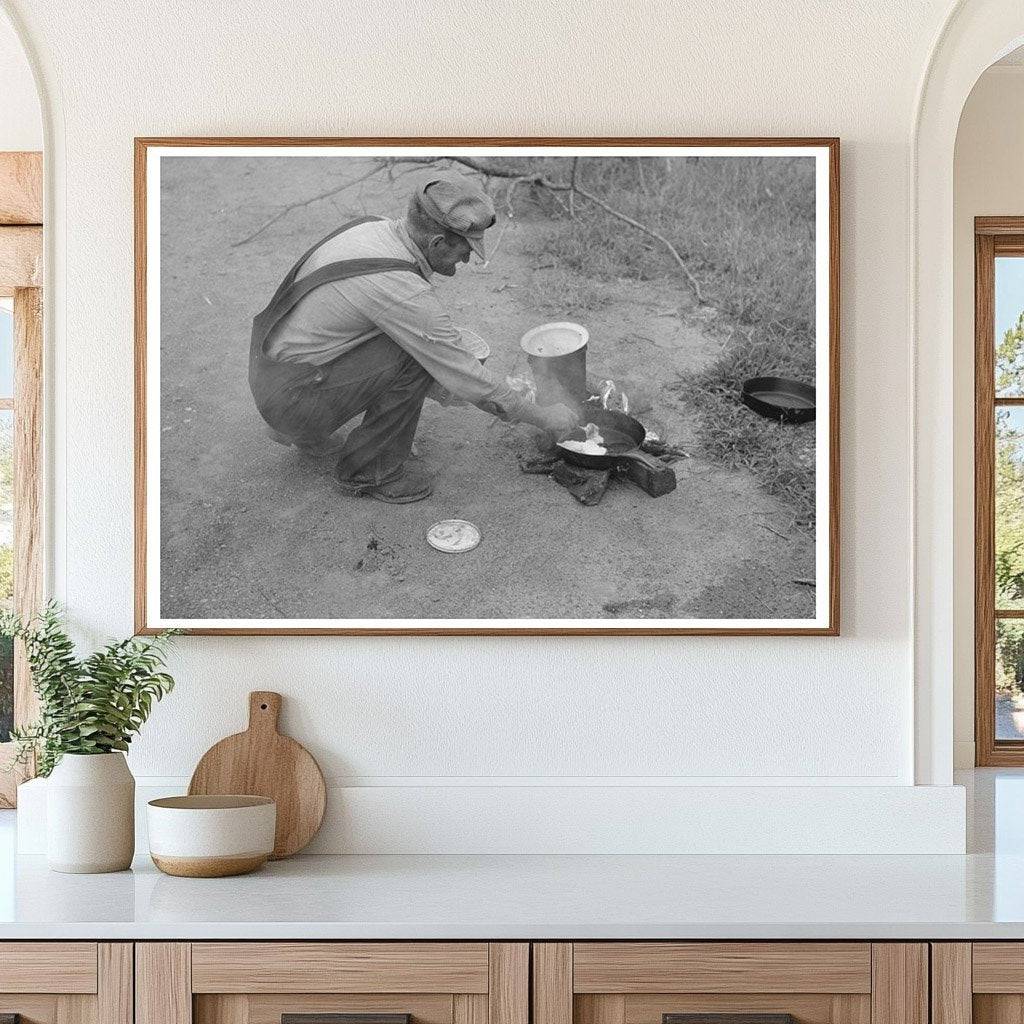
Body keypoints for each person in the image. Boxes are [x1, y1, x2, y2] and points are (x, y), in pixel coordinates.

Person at [248, 171, 580, 504]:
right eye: (466, 249)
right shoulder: (400, 290)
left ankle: (302, 432)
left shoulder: (374, 229)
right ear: (437, 243)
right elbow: (465, 375)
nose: (467, 259)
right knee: (414, 354)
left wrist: (442, 385)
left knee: (419, 346)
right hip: (291, 399)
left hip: (276, 375)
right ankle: (371, 471)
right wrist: (543, 416)